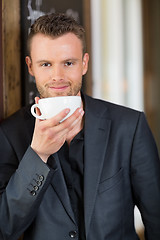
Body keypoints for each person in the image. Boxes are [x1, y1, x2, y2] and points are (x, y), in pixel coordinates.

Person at [0, 13, 160, 240]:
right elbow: (4, 228)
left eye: (68, 63)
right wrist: (38, 155)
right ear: (30, 67)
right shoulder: (9, 135)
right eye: (46, 64)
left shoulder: (129, 127)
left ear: (84, 63)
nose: (57, 76)